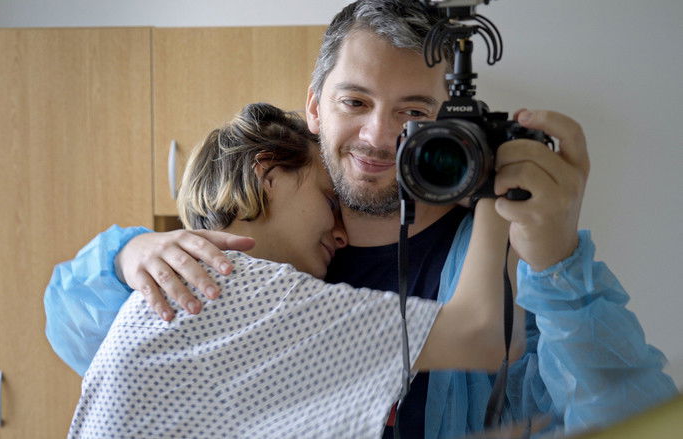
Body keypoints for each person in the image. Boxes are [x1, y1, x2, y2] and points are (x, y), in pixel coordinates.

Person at [46, 1, 678, 437]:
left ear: (449, 120)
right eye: (355, 101)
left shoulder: (513, 262)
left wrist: (558, 258)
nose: (378, 137)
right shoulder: (244, 267)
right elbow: (83, 335)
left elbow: (630, 420)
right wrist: (126, 256)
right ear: (315, 108)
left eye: (413, 111)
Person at [67, 103, 519, 438]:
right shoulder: (252, 291)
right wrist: (491, 187)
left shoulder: (172, 290)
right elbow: (484, 335)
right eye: (330, 200)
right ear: (268, 172)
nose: (341, 235)